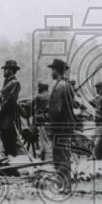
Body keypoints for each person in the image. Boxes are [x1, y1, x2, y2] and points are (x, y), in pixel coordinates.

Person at [47, 58, 78, 188]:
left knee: (61, 156)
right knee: (63, 154)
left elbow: (57, 110)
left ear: (57, 70)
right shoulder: (67, 85)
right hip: (66, 126)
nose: (51, 72)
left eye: (52, 69)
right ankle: (63, 184)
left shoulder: (60, 86)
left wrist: (49, 121)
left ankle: (65, 186)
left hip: (61, 127)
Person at [0, 59, 22, 156]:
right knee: (4, 137)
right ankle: (9, 159)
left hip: (10, 115)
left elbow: (10, 100)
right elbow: (3, 98)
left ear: (11, 70)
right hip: (4, 114)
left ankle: (12, 161)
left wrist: (0, 108)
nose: (4, 71)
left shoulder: (15, 83)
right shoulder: (7, 82)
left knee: (9, 138)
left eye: (5, 69)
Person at [33, 81, 51, 159]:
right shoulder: (51, 95)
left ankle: (40, 149)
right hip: (51, 119)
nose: (38, 89)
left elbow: (34, 108)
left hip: (40, 120)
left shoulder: (38, 97)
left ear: (41, 88)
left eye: (39, 87)